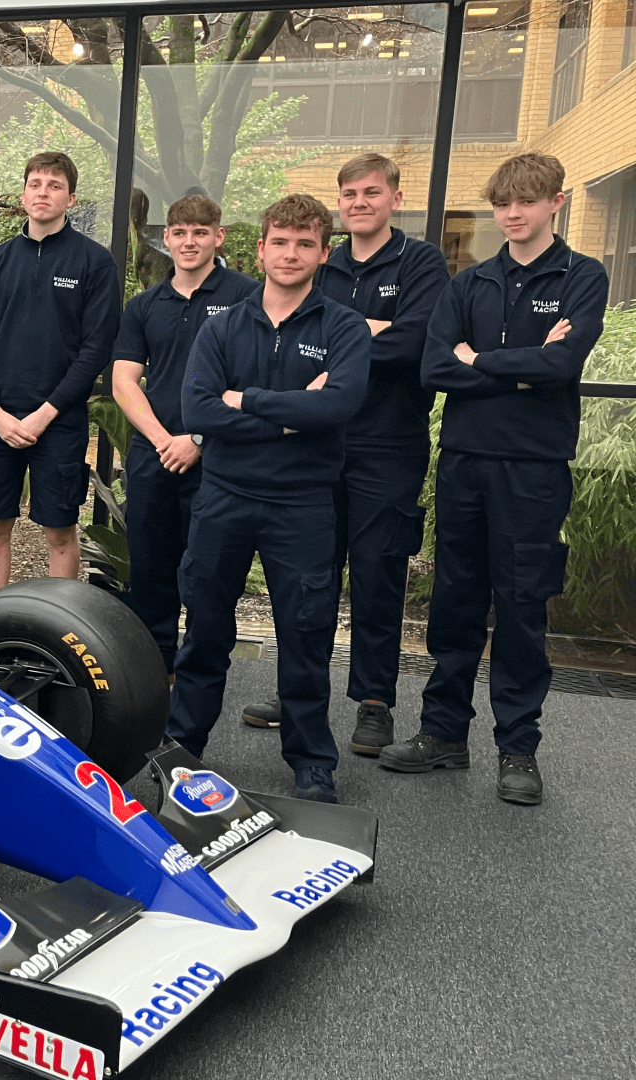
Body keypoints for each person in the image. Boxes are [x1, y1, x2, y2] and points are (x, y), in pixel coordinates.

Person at [386, 152, 608, 806]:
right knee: (453, 600)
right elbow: (434, 369)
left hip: (533, 470)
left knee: (519, 606)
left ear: (555, 204)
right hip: (464, 463)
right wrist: (523, 363)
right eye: (504, 203)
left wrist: (479, 359)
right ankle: (443, 735)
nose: (513, 213)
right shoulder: (469, 283)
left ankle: (518, 748)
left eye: (527, 201)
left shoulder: (583, 277)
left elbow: (564, 363)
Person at [241, 155, 451, 745]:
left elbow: (416, 343)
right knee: (308, 574)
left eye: (371, 192)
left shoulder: (421, 262)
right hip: (317, 442)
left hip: (388, 443)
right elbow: (297, 332)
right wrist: (372, 329)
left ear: (394, 197)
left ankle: (374, 701)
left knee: (378, 573)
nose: (360, 202)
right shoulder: (323, 263)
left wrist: (345, 340)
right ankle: (298, 691)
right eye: (350, 194)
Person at [168, 194, 370, 804]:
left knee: (305, 633)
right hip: (224, 499)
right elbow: (195, 408)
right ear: (259, 249)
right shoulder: (222, 326)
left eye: (305, 244)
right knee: (204, 629)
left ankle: (312, 762)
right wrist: (290, 414)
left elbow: (339, 405)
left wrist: (245, 399)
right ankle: (182, 748)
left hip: (303, 505)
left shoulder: (343, 327)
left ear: (323, 253)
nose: (291, 254)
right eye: (280, 242)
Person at [110, 194, 258, 674]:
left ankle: (200, 672)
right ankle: (156, 672)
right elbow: (123, 380)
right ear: (166, 238)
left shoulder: (245, 297)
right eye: (180, 232)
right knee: (151, 568)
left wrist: (195, 439)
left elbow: (251, 380)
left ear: (218, 237)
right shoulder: (145, 304)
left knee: (209, 572)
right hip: (154, 456)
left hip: (218, 459)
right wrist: (162, 439)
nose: (189, 242)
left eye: (200, 232)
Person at [0, 151, 121, 593]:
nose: (43, 192)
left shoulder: (93, 262)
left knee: (59, 531)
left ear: (70, 199)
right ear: (23, 194)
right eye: (36, 184)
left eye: (54, 186)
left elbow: (95, 351)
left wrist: (45, 413)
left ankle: (62, 627)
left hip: (59, 422)